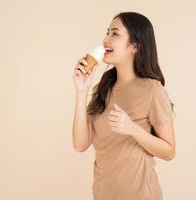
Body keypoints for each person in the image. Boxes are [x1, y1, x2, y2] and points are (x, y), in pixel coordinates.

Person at [72, 12, 175, 200]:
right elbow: (80, 145)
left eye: (115, 34)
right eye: (107, 32)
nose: (106, 39)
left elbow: (169, 151)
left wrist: (133, 129)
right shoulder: (102, 89)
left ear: (135, 46)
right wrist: (81, 92)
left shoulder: (153, 89)